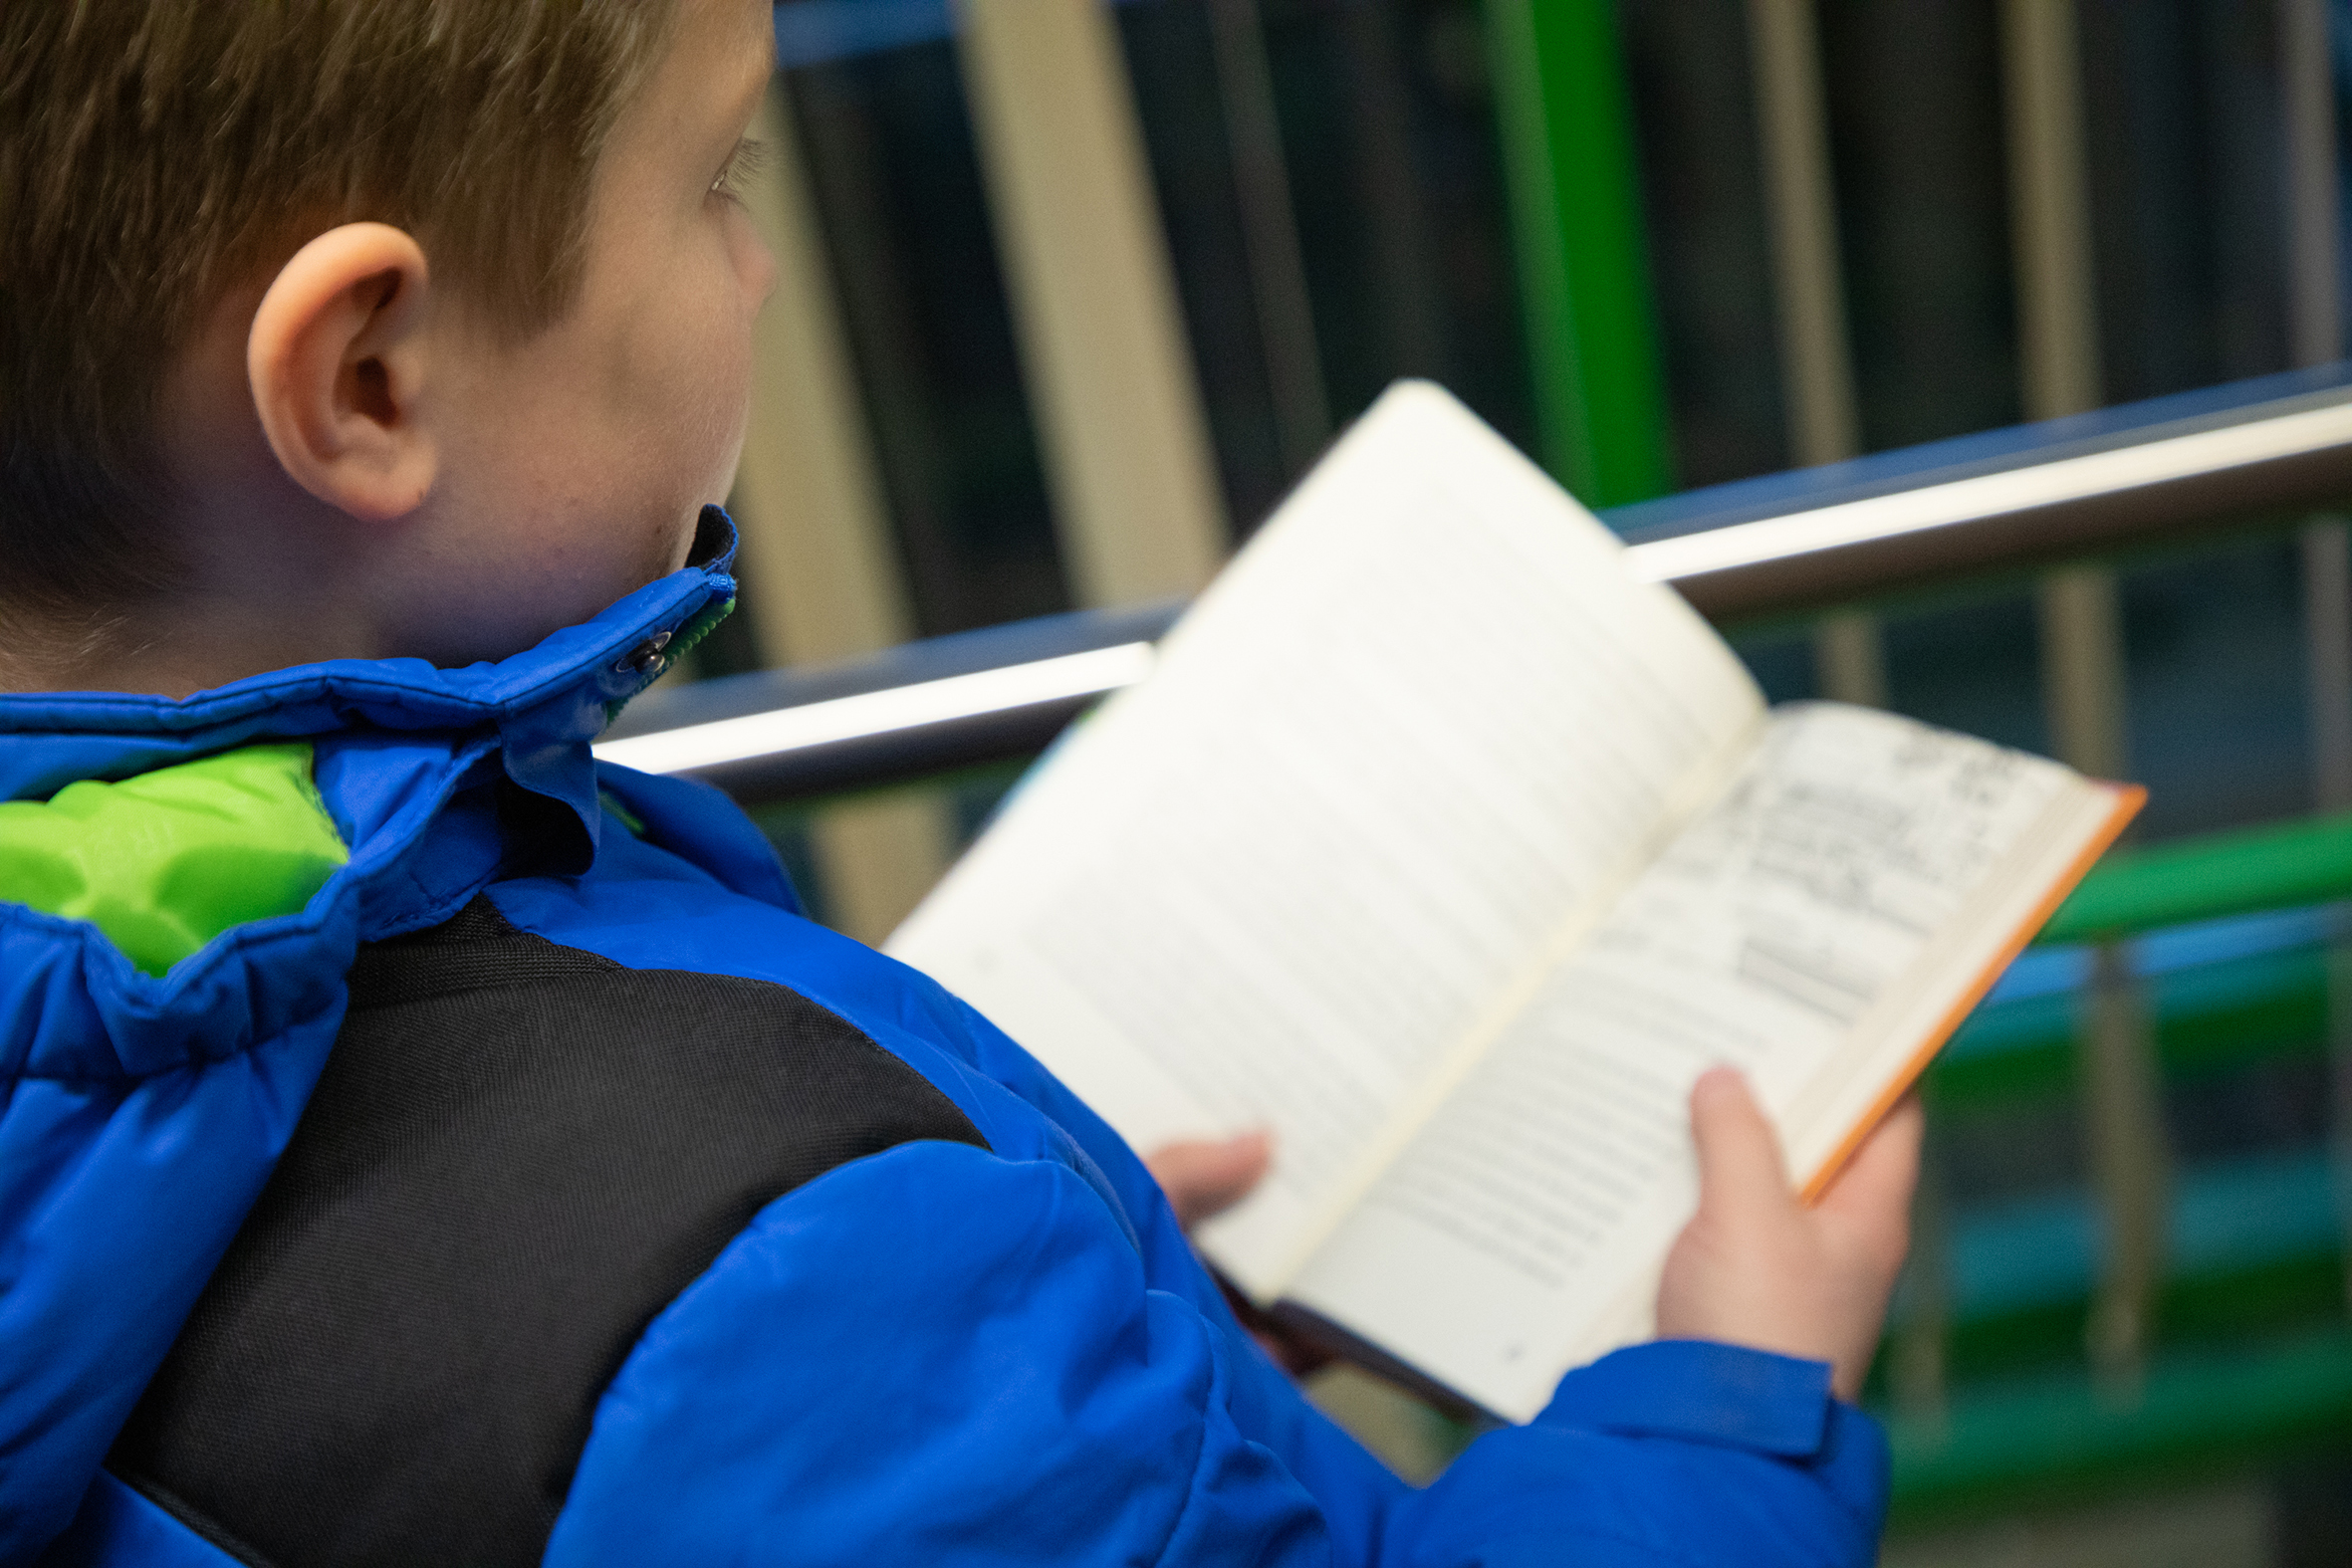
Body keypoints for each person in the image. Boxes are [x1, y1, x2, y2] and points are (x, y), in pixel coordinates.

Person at [0, 1, 1921, 1563]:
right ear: (368, 383)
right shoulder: (780, 1299)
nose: (755, 270)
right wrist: (1730, 1411)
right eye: (715, 179)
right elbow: (707, 1383)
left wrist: (1065, 1367)